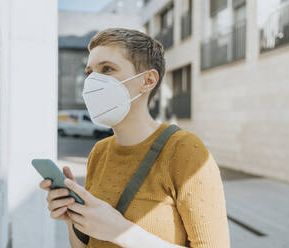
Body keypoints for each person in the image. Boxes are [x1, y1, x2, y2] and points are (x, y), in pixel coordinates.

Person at [39, 28, 230, 248]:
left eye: (107, 69)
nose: (92, 81)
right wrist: (72, 216)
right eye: (89, 72)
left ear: (148, 80)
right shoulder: (99, 153)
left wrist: (122, 232)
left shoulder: (185, 150)